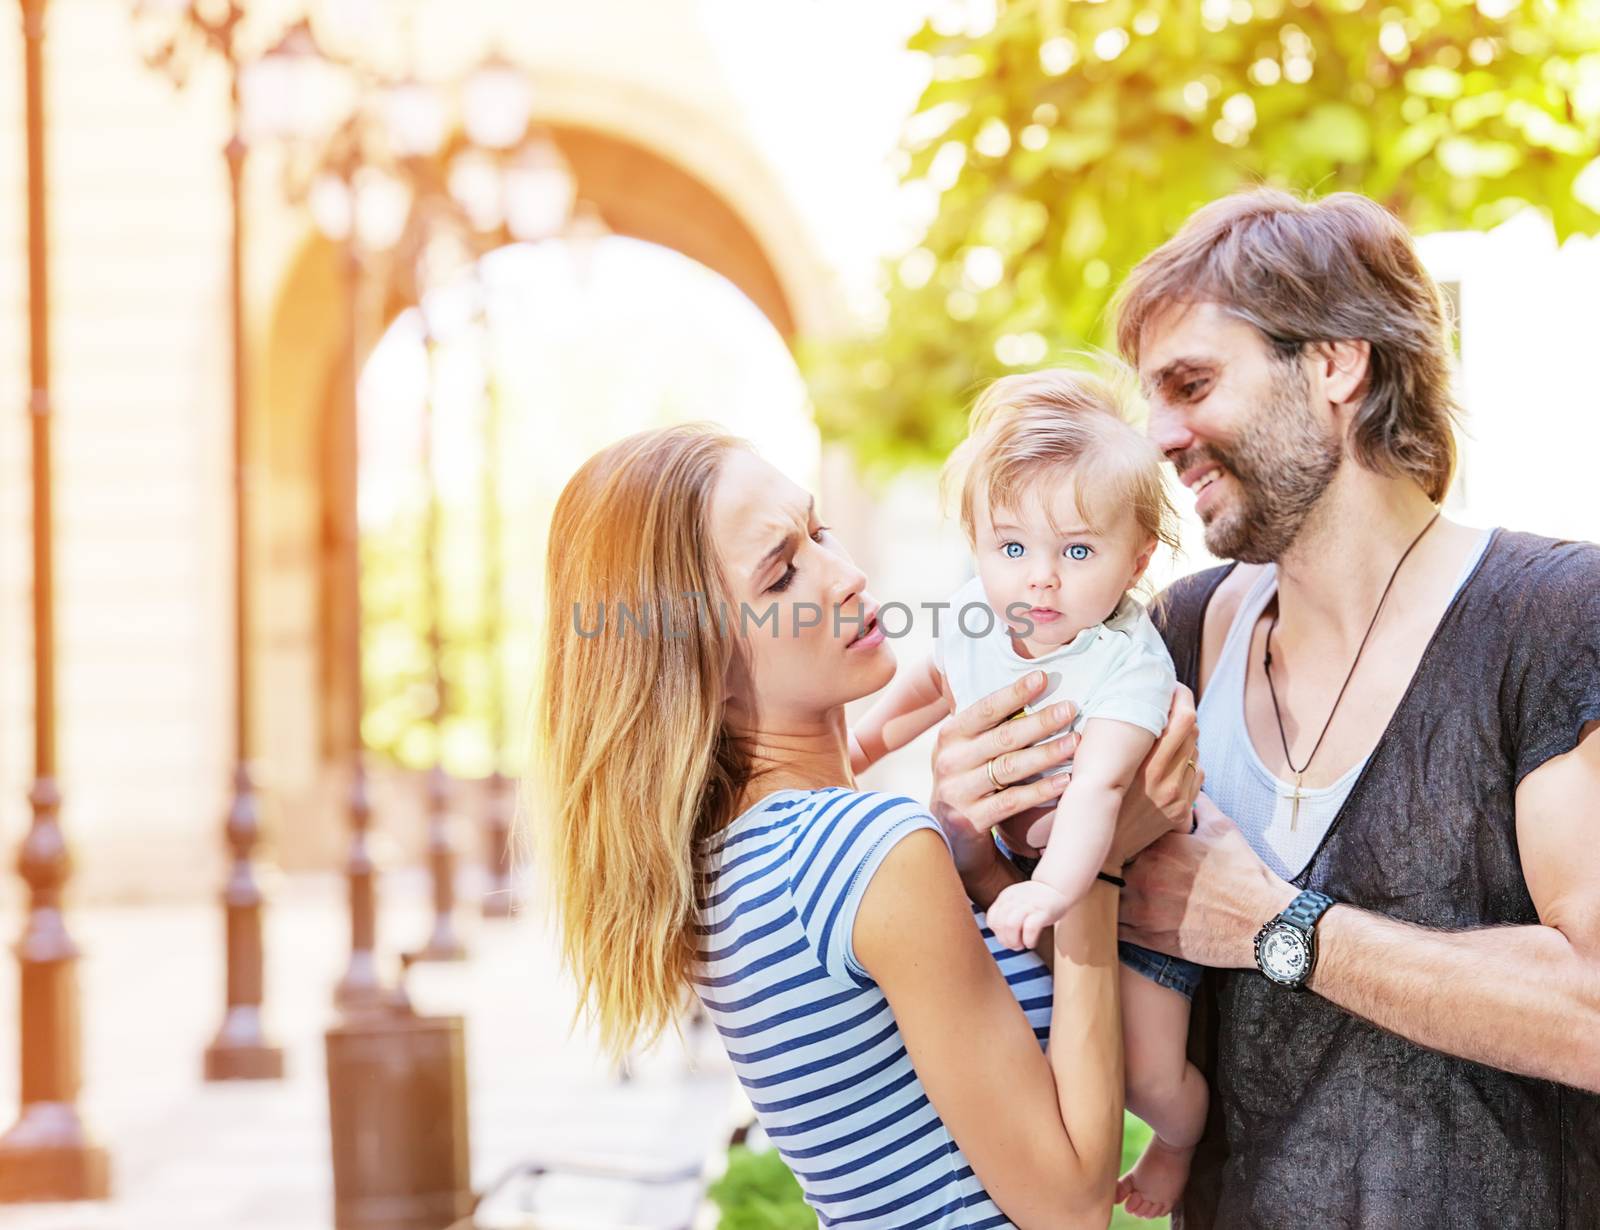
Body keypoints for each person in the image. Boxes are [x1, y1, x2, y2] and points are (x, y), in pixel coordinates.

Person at [529, 424, 1200, 1228]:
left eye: (817, 530)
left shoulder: (734, 858)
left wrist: (983, 872)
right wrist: (1096, 860)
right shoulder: (860, 850)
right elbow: (1070, 1205)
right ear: (697, 661)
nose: (845, 575)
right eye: (782, 574)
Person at [1108, 187, 1600, 1227]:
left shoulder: (1554, 619)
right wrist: (981, 835)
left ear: (1334, 361)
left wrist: (1277, 926)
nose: (1159, 435)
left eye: (1191, 383)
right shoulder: (1180, 637)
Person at [849, 368, 1208, 1218]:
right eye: (1012, 548)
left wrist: (1053, 888)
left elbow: (1103, 790)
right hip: (1034, 881)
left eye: (1077, 552)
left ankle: (1185, 1141)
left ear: (1136, 560)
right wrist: (861, 743)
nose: (1039, 580)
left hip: (1142, 897)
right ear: (978, 545)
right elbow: (931, 681)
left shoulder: (1124, 663)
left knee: (1149, 1078)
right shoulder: (984, 611)